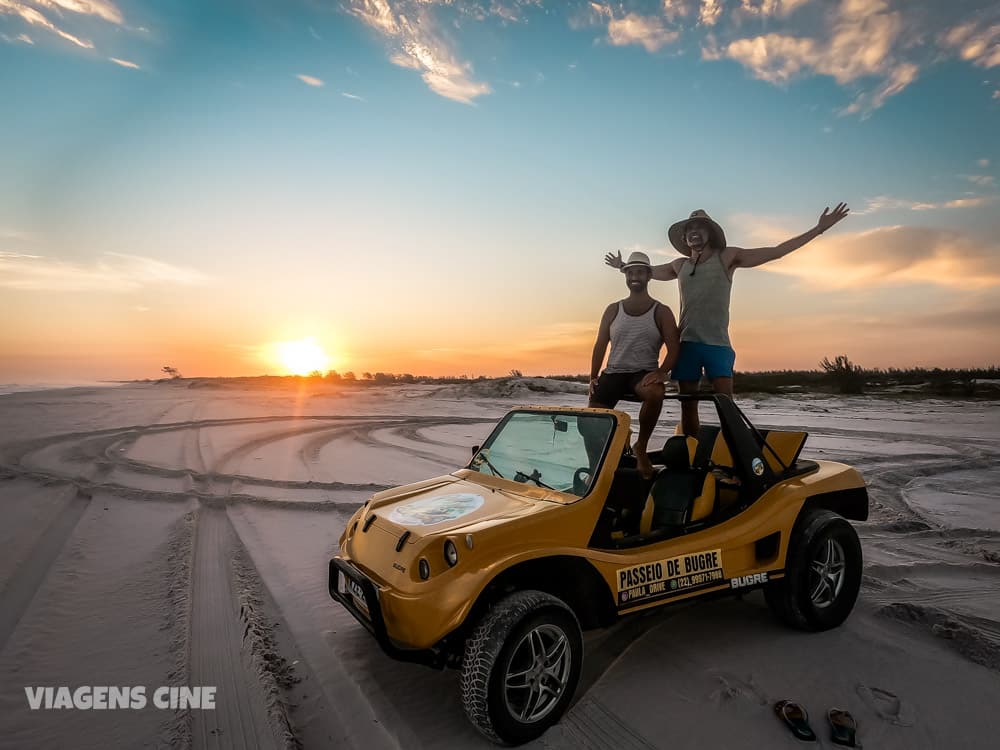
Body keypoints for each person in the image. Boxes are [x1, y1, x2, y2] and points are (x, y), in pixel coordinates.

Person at [605, 204, 849, 436]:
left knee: (726, 404)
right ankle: (692, 455)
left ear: (710, 233)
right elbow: (644, 273)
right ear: (684, 238)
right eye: (689, 230)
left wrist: (819, 229)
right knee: (688, 405)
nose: (693, 233)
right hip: (687, 343)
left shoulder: (727, 257)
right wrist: (623, 266)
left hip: (717, 344)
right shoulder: (679, 265)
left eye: (699, 228)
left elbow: (776, 251)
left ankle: (735, 457)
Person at [586, 251, 681, 479]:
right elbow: (600, 344)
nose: (634, 276)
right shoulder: (612, 309)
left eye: (639, 272)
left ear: (649, 276)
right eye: (630, 272)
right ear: (625, 276)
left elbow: (675, 347)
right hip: (613, 372)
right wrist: (593, 376)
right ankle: (596, 466)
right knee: (589, 423)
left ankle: (641, 446)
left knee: (656, 393)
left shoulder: (661, 311)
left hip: (642, 374)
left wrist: (661, 371)